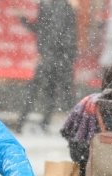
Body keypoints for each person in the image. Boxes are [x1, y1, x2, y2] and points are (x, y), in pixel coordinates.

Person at [15, 0, 78, 133]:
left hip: (51, 56)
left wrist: (45, 52)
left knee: (37, 90)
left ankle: (23, 122)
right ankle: (52, 124)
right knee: (55, 91)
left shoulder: (48, 5)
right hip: (61, 57)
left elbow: (43, 29)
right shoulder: (65, 7)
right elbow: (64, 33)